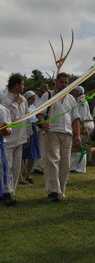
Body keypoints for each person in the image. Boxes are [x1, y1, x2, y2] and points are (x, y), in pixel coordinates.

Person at [36, 72, 81, 202]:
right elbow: (40, 113)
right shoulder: (48, 95)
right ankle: (53, 191)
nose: (64, 85)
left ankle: (61, 190)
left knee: (65, 164)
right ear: (56, 81)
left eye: (66, 83)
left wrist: (77, 135)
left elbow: (75, 118)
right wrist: (43, 122)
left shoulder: (71, 99)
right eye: (62, 82)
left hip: (67, 133)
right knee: (53, 160)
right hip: (52, 131)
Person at [1, 73, 30, 206]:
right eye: (22, 84)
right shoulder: (4, 98)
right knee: (7, 166)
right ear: (16, 85)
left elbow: (26, 118)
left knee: (16, 167)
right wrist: (15, 104)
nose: (24, 86)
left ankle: (11, 192)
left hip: (20, 138)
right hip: (7, 139)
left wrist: (28, 136)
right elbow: (7, 118)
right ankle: (5, 193)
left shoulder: (23, 100)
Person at [70, 86, 94, 173]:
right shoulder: (79, 101)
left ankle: (78, 168)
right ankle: (74, 166)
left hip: (81, 126)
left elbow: (82, 116)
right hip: (79, 125)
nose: (74, 93)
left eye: (75, 91)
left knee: (80, 147)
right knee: (75, 147)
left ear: (79, 92)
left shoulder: (82, 102)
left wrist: (81, 126)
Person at [20, 91, 41, 184]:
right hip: (23, 130)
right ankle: (19, 176)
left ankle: (29, 174)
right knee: (21, 154)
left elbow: (36, 119)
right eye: (32, 99)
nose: (33, 100)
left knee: (32, 154)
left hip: (33, 130)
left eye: (34, 99)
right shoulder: (22, 107)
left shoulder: (33, 108)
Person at [32, 83, 50, 174]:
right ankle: (36, 166)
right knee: (38, 146)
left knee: (42, 147)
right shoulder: (34, 98)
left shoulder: (46, 98)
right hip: (35, 124)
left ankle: (38, 165)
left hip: (41, 125)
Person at [0, 103, 12, 199]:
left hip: (1, 143)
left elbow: (9, 130)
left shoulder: (2, 109)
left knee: (3, 167)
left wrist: (5, 129)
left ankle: (5, 192)